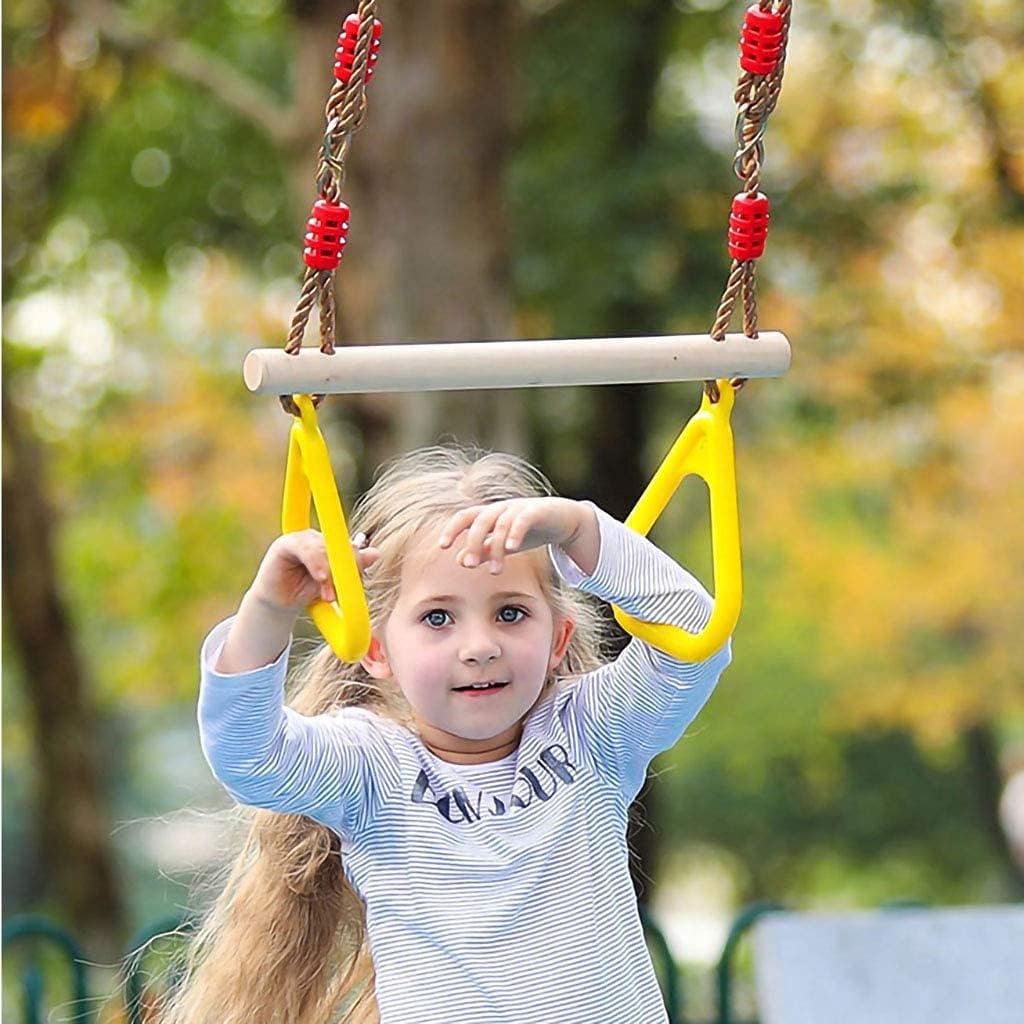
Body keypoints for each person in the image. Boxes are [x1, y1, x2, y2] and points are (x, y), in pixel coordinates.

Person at [164, 445, 732, 1024]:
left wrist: (581, 529)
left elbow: (696, 638)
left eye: (510, 613)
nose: (479, 647)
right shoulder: (370, 768)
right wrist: (268, 608)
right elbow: (249, 756)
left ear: (557, 640)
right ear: (377, 650)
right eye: (438, 617)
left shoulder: (592, 732)